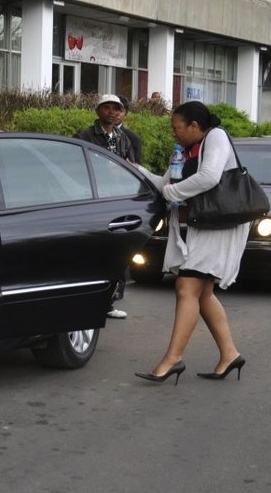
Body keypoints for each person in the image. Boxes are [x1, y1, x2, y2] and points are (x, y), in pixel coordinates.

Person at [134, 101, 249, 385]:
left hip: (218, 226)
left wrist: (172, 192)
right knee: (203, 293)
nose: (173, 133)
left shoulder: (216, 137)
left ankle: (173, 359)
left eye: (177, 128)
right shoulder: (183, 151)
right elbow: (164, 185)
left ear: (194, 126)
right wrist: (135, 170)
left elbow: (209, 177)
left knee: (186, 287)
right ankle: (230, 354)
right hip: (200, 226)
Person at [75, 93, 135, 319]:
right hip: (93, 201)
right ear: (98, 110)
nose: (111, 112)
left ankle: (108, 301)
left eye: (116, 108)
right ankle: (87, 301)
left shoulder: (123, 138)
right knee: (93, 252)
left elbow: (131, 167)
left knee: (116, 252)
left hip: (117, 201)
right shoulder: (85, 135)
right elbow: (75, 166)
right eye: (106, 107)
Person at [116, 95, 143, 164]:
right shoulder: (92, 134)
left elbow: (136, 165)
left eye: (120, 110)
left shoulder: (133, 138)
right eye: (115, 109)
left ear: (126, 114)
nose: (117, 114)